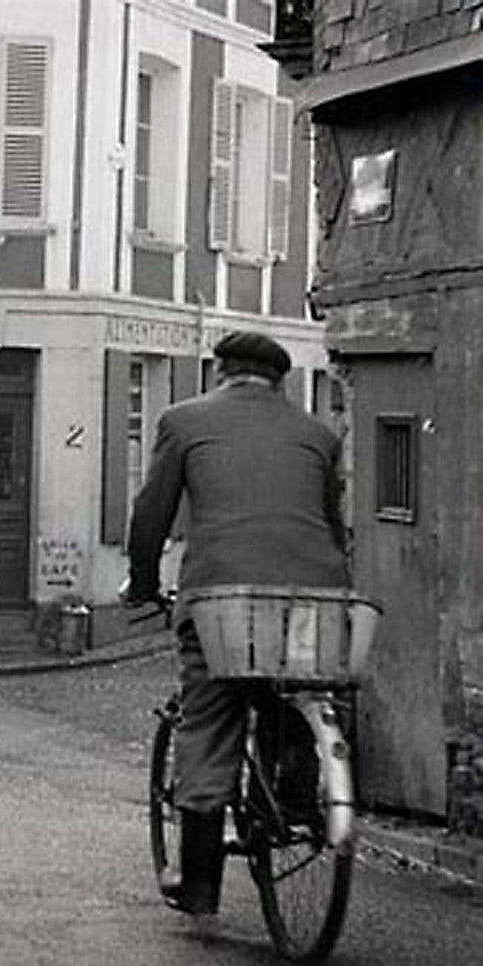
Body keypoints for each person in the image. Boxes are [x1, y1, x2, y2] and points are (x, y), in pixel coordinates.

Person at [123, 332, 349, 923]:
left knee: (210, 714)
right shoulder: (318, 434)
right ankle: (296, 796)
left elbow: (150, 515)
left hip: (222, 595)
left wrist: (142, 580)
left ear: (221, 372)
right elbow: (329, 524)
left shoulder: (183, 420)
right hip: (313, 596)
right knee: (297, 683)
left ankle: (199, 883)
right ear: (280, 381)